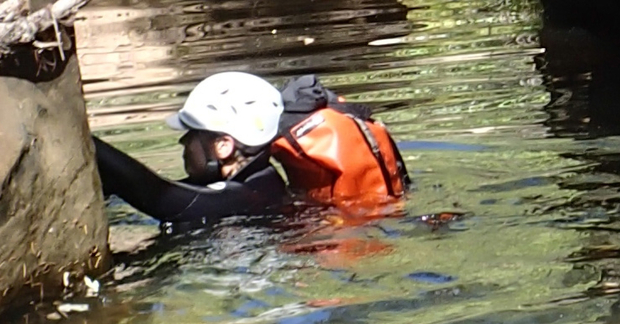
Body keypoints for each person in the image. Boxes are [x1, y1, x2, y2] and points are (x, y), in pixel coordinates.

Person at [94, 70, 408, 226]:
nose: (183, 143)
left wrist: (90, 147)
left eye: (192, 134)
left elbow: (158, 196)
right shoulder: (261, 184)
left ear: (223, 145)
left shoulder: (243, 196)